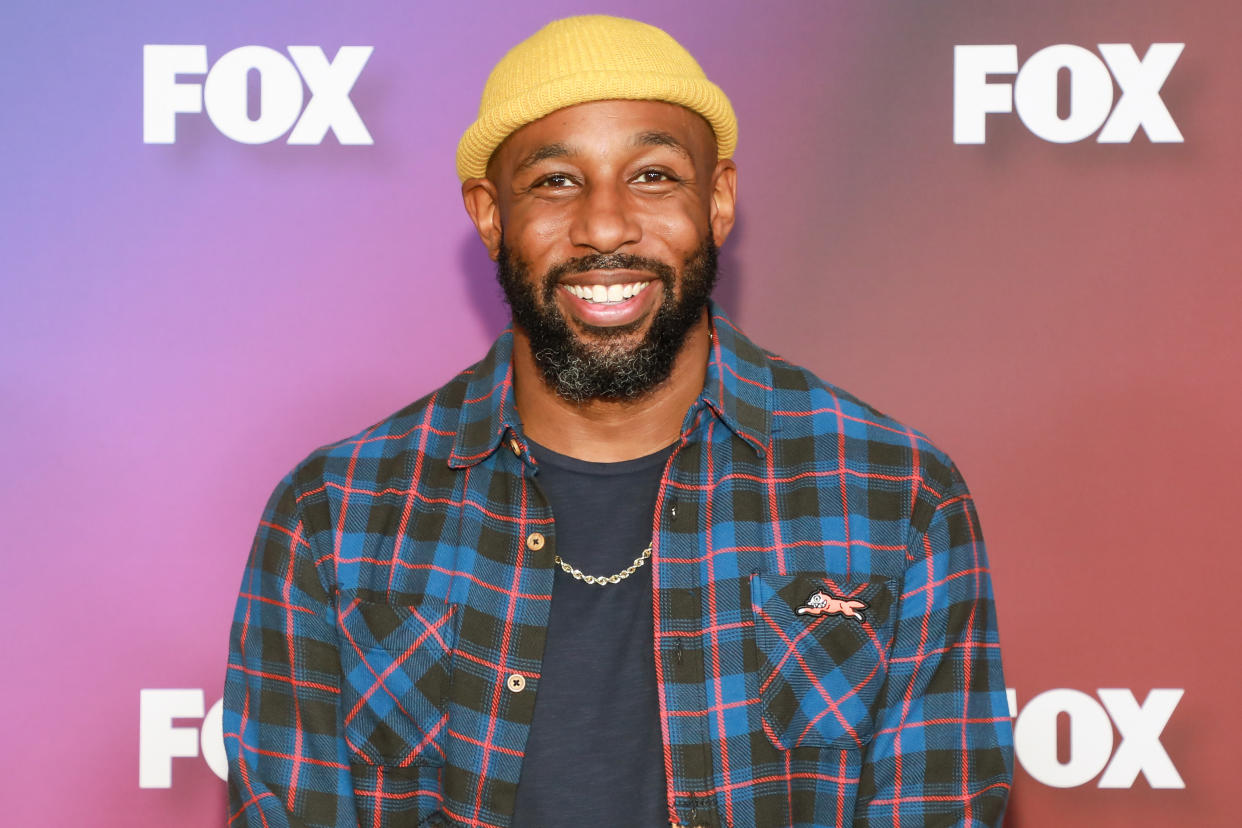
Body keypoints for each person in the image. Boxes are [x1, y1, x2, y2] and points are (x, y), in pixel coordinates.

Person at [223, 15, 1013, 828]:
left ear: (719, 200)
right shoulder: (335, 516)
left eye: (653, 177)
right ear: (491, 215)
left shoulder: (893, 497)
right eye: (557, 181)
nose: (605, 226)